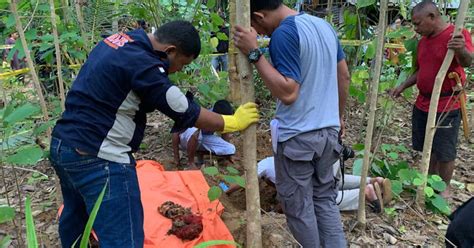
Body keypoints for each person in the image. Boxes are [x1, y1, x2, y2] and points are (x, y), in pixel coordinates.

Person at [49, 20, 258, 248]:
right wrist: (230, 122)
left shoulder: (118, 42)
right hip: (100, 158)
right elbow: (181, 108)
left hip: (64, 146)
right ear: (170, 51)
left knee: (76, 220)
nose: (177, 70)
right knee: (123, 240)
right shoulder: (144, 64)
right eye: (180, 63)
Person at [233, 1, 351, 247]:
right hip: (328, 134)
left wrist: (255, 53)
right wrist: (337, 117)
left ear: (258, 16)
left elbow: (288, 92)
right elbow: (344, 75)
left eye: (257, 27)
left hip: (299, 136)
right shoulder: (324, 26)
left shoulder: (284, 34)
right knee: (323, 200)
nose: (261, 33)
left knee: (299, 206)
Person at [389, 1, 473, 198]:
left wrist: (460, 49)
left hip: (446, 103)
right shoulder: (423, 42)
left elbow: (468, 62)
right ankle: (429, 181)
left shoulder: (456, 35)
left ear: (432, 18)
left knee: (444, 149)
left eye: (417, 23)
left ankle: (444, 188)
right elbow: (421, 71)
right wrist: (402, 86)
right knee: (427, 145)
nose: (415, 28)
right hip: (423, 102)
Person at [226, 157, 393, 213]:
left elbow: (245, 180)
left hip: (306, 182)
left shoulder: (262, 166)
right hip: (319, 165)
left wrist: (225, 192)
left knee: (323, 200)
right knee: (336, 180)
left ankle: (364, 193)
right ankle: (371, 180)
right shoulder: (273, 160)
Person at [172, 99, 236, 168]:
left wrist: (228, 154)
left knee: (230, 148)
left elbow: (225, 133)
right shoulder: (199, 114)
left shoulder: (223, 116)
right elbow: (175, 133)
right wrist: (176, 157)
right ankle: (191, 162)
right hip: (186, 139)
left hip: (204, 138)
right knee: (195, 132)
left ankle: (200, 152)